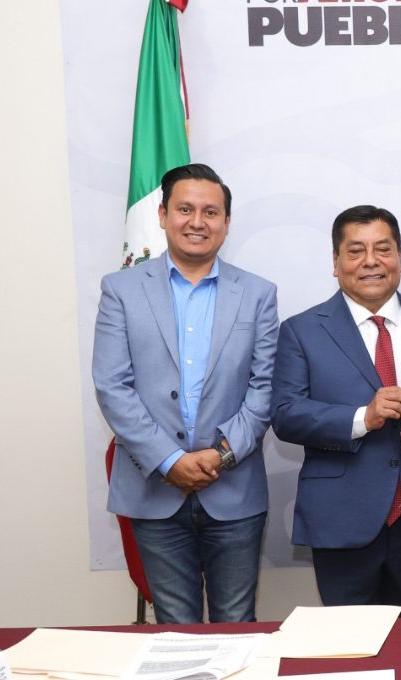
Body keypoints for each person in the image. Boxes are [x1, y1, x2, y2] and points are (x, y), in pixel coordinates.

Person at [93, 163, 278, 623]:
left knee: (237, 622)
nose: (198, 222)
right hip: (152, 489)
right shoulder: (120, 289)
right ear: (162, 215)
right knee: (175, 629)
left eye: (210, 212)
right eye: (185, 209)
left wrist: (222, 455)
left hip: (233, 488)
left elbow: (264, 388)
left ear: (226, 222)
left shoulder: (258, 293)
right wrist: (170, 460)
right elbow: (112, 386)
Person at [270, 205, 401, 617]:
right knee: (349, 644)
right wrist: (363, 417)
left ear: (399, 257)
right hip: (342, 520)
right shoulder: (302, 330)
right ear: (336, 263)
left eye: (383, 249)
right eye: (356, 251)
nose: (371, 261)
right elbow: (286, 414)